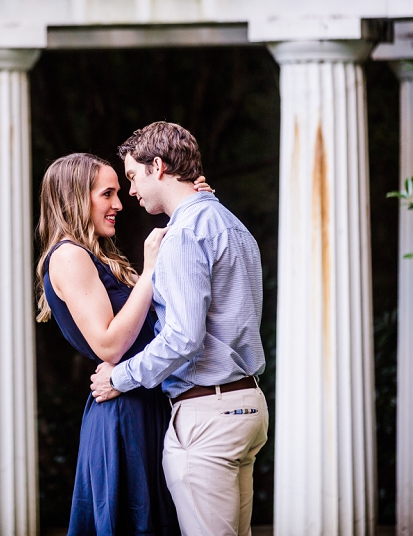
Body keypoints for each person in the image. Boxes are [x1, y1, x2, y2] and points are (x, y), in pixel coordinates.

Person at [89, 122, 267, 536]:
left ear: (158, 166)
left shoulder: (185, 234)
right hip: (246, 406)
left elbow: (184, 337)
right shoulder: (230, 222)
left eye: (133, 177)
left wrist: (121, 376)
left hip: (207, 416)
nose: (131, 192)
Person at [36, 152, 212, 536]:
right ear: (75, 197)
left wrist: (195, 206)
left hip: (141, 400)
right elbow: (110, 344)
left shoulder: (97, 256)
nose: (118, 204)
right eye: (107, 194)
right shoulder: (68, 256)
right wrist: (149, 270)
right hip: (123, 414)